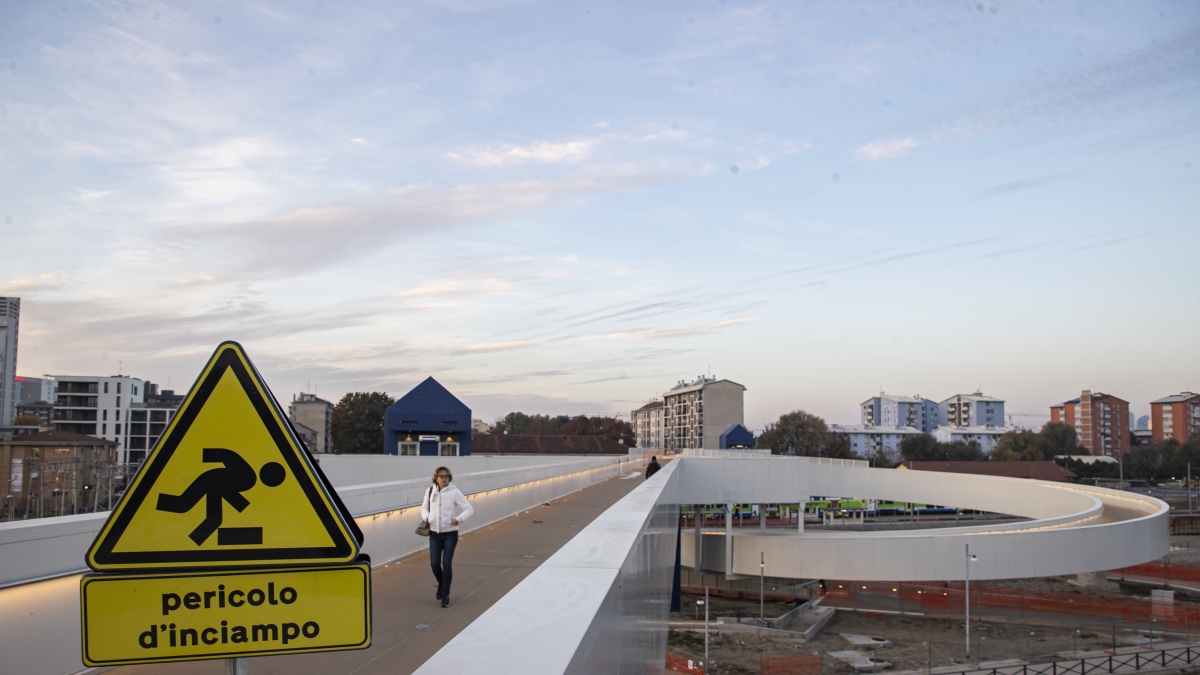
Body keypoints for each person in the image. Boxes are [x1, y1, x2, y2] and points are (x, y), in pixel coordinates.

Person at [421, 466, 473, 607]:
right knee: (434, 563)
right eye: (441, 476)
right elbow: (424, 508)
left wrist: (458, 519)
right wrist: (427, 518)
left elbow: (469, 509)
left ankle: (446, 595)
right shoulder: (430, 491)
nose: (444, 479)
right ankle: (441, 583)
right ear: (436, 478)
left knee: (447, 563)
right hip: (434, 533)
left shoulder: (454, 492)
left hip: (450, 533)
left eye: (446, 476)